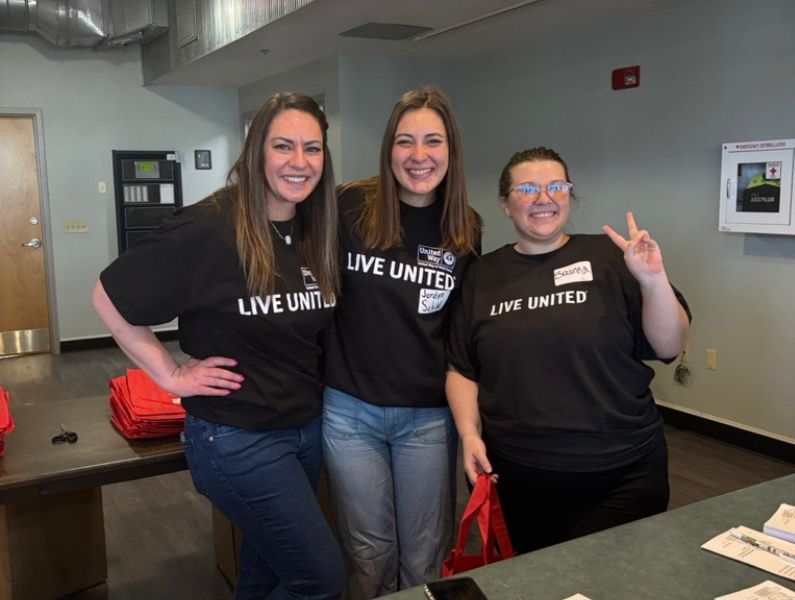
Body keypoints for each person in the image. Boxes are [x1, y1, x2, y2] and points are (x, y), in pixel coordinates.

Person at [92, 92, 345, 599]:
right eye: (283, 146)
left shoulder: (316, 228)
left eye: (312, 149)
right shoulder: (209, 226)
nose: (299, 162)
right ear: (256, 152)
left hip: (304, 428)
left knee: (267, 569)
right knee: (321, 579)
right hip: (235, 438)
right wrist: (168, 375)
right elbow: (108, 297)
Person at [446, 146, 691, 554]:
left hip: (624, 471)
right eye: (527, 188)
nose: (544, 197)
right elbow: (462, 368)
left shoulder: (612, 258)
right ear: (505, 204)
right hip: (521, 475)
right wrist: (468, 434)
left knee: (618, 581)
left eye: (556, 186)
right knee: (540, 583)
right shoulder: (481, 276)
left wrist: (653, 280)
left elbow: (671, 345)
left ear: (569, 195)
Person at [322, 86, 482, 598]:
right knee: (369, 553)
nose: (418, 156)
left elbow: (462, 329)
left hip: (426, 419)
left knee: (425, 554)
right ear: (388, 148)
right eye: (405, 141)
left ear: (451, 151)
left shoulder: (465, 226)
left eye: (433, 141)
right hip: (350, 412)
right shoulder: (349, 205)